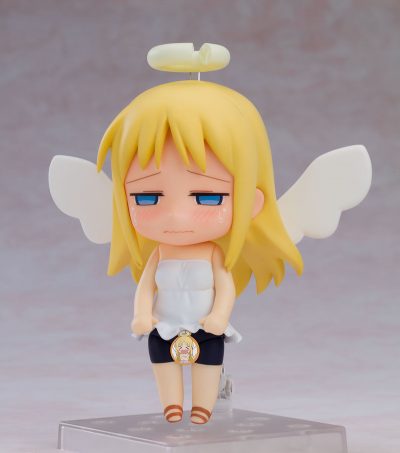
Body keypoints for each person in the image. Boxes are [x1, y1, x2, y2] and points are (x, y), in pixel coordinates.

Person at [96, 80, 303, 423]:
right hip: (164, 324)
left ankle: (204, 406)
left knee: (209, 359)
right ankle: (171, 404)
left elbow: (225, 287)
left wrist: (220, 315)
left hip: (206, 325)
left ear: (251, 201)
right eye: (147, 197)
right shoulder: (159, 253)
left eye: (208, 197)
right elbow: (145, 287)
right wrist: (141, 314)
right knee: (160, 355)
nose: (176, 216)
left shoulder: (212, 254)